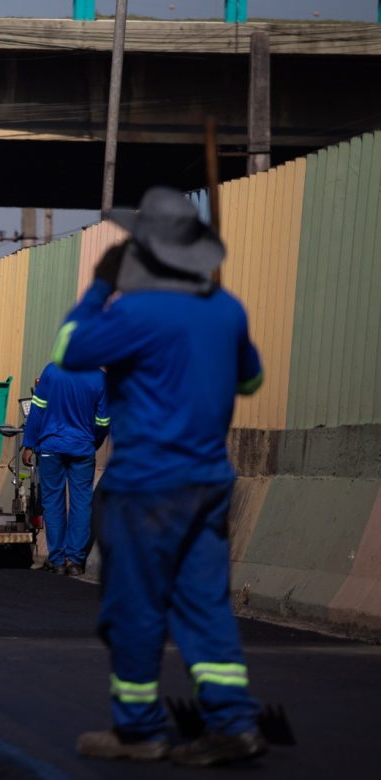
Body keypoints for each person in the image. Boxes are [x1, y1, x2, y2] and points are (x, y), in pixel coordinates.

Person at [54, 187, 266, 767]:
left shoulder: (134, 312)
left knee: (135, 608)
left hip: (146, 486)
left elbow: (68, 349)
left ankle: (140, 728)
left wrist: (101, 283)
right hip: (208, 484)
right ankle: (233, 722)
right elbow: (249, 382)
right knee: (205, 606)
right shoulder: (227, 309)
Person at [21, 363, 109, 576]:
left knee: (53, 503)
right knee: (81, 504)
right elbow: (103, 421)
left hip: (51, 447)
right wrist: (92, 443)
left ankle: (57, 560)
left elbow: (37, 410)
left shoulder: (52, 371)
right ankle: (75, 561)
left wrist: (29, 443)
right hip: (82, 448)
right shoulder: (99, 378)